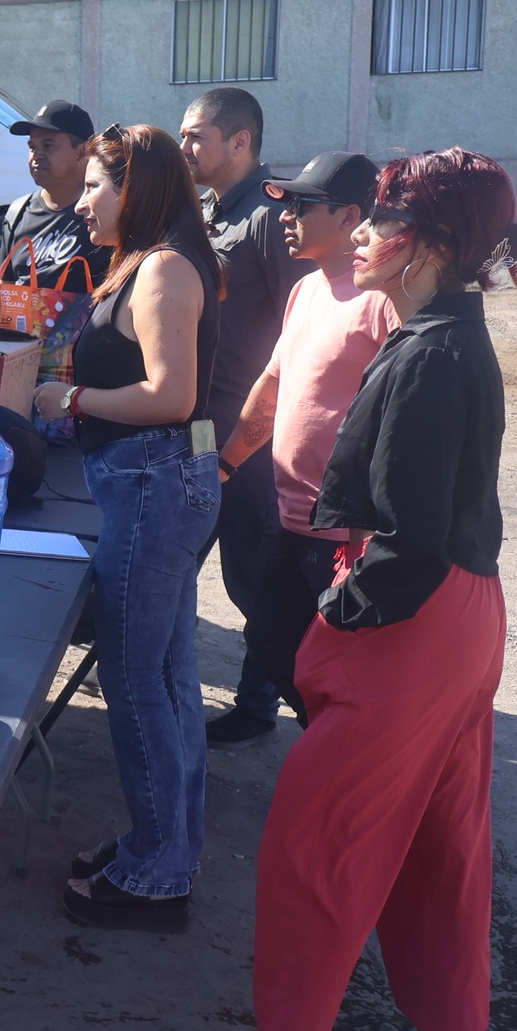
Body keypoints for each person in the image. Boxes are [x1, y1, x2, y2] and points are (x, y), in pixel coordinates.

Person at [164, 150, 516, 1031]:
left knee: (315, 844)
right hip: (458, 613)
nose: (360, 230)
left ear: (427, 243)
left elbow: (404, 544)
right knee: (438, 844)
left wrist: (336, 615)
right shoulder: (445, 334)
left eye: (381, 218)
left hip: (412, 621)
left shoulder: (428, 352)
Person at [32, 124, 222, 932]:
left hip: (154, 481)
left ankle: (157, 871)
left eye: (95, 187)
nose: (82, 203)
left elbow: (172, 396)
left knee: (138, 678)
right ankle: (167, 845)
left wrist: (70, 399)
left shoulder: (166, 268)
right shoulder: (152, 259)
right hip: (157, 479)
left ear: (134, 189)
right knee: (168, 676)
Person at [213, 152, 398, 724]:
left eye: (302, 204)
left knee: (339, 664)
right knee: (270, 641)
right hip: (288, 516)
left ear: (350, 217)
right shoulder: (305, 291)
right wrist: (224, 465)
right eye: (286, 203)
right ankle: (326, 738)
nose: (286, 215)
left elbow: (402, 419)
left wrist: (371, 534)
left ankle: (339, 753)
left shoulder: (383, 302)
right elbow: (272, 387)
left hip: (343, 532)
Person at [178, 87, 300, 749]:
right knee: (182, 547)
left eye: (196, 136)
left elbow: (295, 329)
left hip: (250, 429)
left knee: (253, 573)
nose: (185, 147)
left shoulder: (268, 217)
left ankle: (262, 703)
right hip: (204, 420)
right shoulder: (209, 209)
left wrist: (263, 427)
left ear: (240, 142)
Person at [0, 98, 110, 290]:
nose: (37, 155)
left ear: (83, 151)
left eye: (48, 146)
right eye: (32, 147)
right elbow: (4, 287)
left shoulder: (104, 213)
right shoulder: (17, 213)